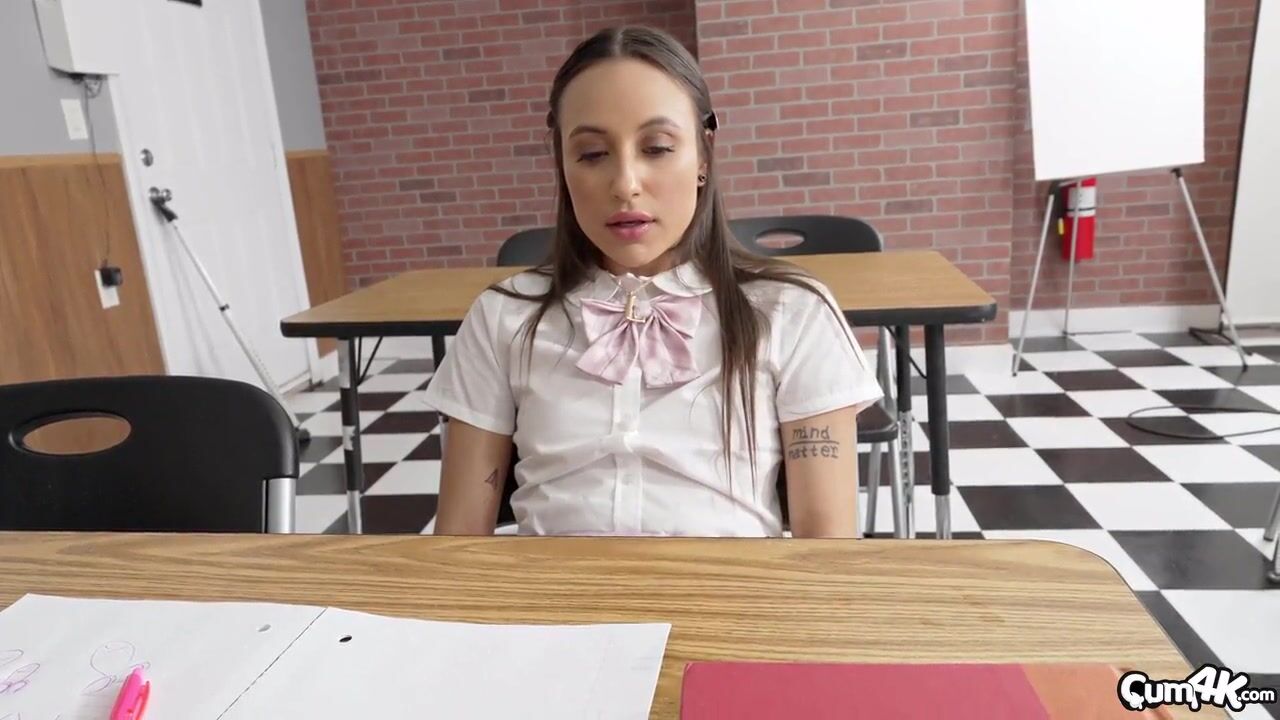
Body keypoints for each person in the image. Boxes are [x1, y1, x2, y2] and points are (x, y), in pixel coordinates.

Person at [423, 25, 883, 538]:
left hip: (733, 588)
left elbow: (828, 549)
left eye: (658, 147)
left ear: (703, 155)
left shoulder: (792, 312)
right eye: (592, 154)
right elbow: (458, 542)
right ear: (563, 166)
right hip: (553, 588)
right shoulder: (503, 317)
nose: (625, 184)